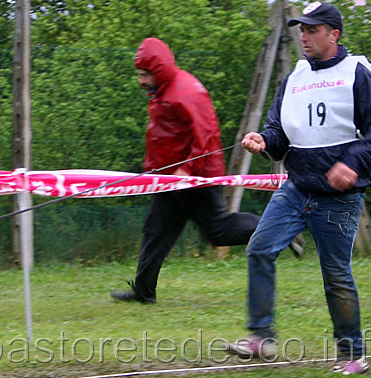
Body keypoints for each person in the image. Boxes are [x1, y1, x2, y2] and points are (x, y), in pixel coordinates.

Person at [224, 2, 371, 375]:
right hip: (296, 188)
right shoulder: (295, 78)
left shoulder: (358, 72)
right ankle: (261, 337)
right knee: (260, 248)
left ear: (333, 34)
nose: (304, 36)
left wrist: (352, 164)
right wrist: (262, 141)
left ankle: (353, 355)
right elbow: (279, 134)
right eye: (301, 30)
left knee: (336, 276)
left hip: (340, 198)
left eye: (312, 30)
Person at [111, 37, 304, 305]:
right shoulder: (164, 91)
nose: (141, 81)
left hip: (197, 178)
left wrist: (188, 170)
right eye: (140, 74)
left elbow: (207, 134)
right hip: (170, 180)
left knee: (218, 232)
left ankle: (281, 227)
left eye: (145, 74)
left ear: (159, 69)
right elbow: (163, 137)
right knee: (155, 231)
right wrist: (153, 172)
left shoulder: (185, 91)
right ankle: (144, 291)